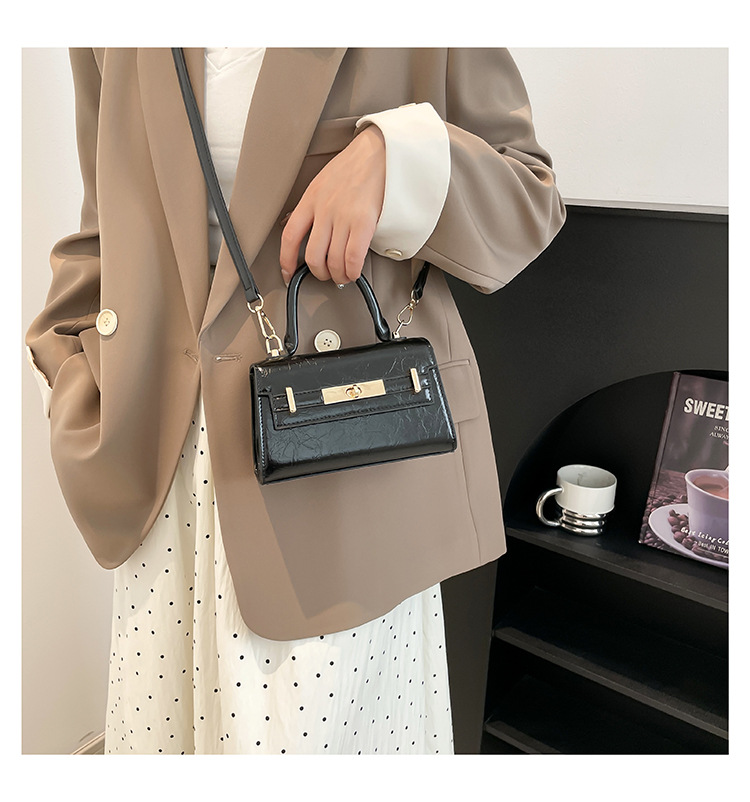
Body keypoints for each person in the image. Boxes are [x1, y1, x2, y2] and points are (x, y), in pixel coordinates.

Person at [25, 47, 566, 754]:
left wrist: (395, 156)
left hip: (335, 464)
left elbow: (529, 198)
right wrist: (66, 365)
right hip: (164, 474)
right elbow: (105, 220)